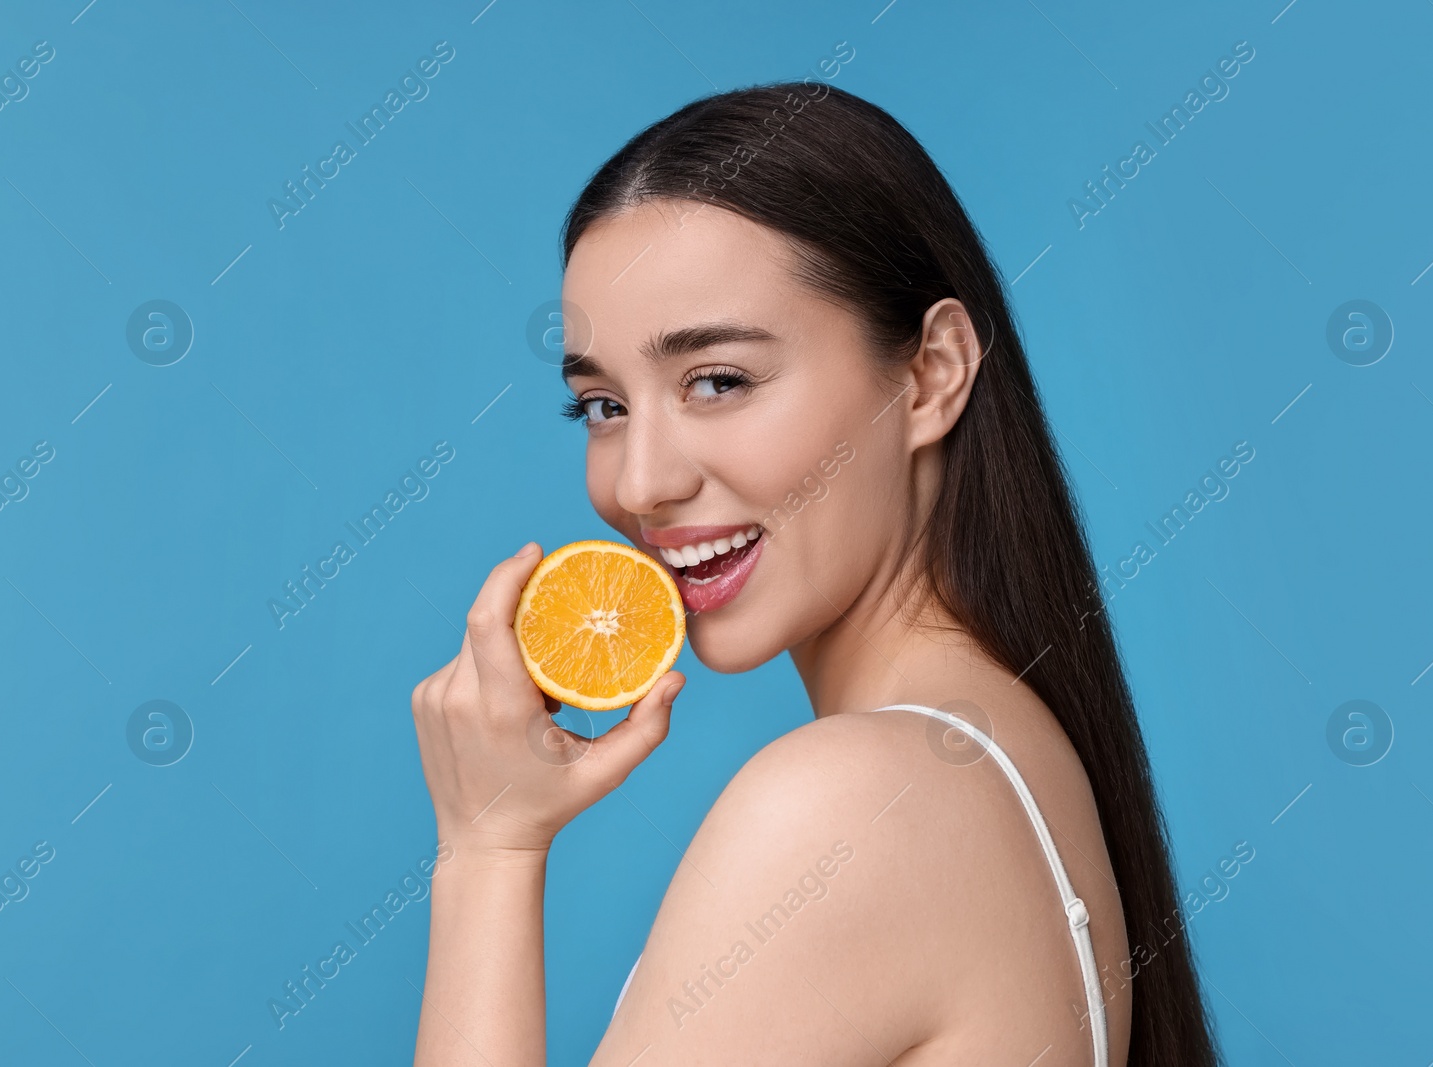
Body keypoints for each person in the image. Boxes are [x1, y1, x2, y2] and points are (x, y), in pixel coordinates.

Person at [409, 83, 1218, 1066]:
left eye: (717, 380)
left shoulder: (850, 803)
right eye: (603, 404)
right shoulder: (1004, 753)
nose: (641, 482)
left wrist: (486, 852)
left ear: (930, 375)